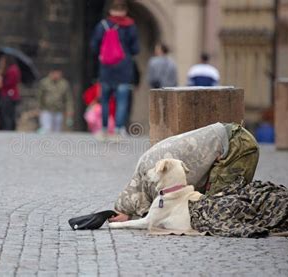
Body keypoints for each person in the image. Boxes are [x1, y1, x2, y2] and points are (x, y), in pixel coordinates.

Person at [109, 123, 259, 223]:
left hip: (237, 145)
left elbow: (165, 213)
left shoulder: (153, 178)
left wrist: (127, 215)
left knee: (216, 212)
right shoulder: (145, 166)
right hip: (233, 136)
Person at [90, 0, 139, 140]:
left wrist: (103, 53)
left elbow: (94, 45)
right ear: (125, 11)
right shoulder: (130, 26)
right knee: (122, 101)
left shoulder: (102, 25)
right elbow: (136, 49)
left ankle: (104, 129)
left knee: (104, 100)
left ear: (110, 10)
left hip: (106, 69)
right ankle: (118, 130)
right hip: (124, 69)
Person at [0, 54, 21, 131]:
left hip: (9, 95)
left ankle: (8, 129)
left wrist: (1, 81)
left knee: (8, 115)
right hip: (4, 95)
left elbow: (10, 82)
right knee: (3, 114)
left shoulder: (13, 69)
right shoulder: (5, 69)